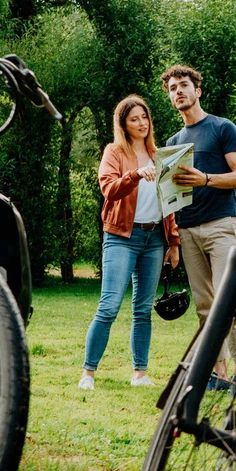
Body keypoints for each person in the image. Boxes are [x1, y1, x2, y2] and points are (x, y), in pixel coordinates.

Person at [79, 95, 180, 390]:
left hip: (154, 239)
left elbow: (170, 200)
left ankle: (140, 374)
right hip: (121, 236)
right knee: (109, 306)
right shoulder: (114, 152)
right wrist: (135, 174)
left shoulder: (160, 155)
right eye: (134, 119)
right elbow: (109, 189)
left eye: (144, 117)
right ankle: (88, 373)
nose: (141, 123)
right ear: (123, 124)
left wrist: (173, 242)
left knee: (142, 309)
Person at [163, 64, 236, 387]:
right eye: (172, 88)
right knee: (204, 305)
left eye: (183, 85)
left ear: (197, 91)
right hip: (188, 229)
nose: (178, 91)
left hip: (221, 225)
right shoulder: (174, 142)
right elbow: (172, 194)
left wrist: (206, 179)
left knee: (229, 300)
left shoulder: (222, 128)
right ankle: (219, 372)